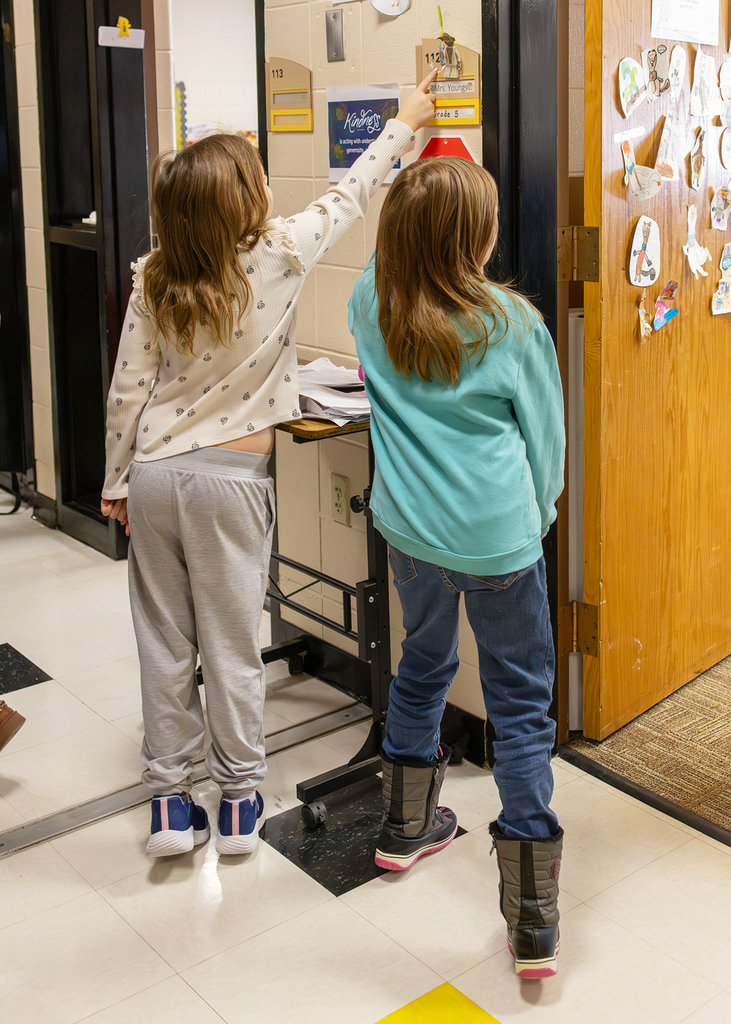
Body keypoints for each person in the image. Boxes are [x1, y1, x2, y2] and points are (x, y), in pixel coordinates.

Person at [100, 72, 438, 858]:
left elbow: (127, 391)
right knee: (229, 644)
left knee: (164, 643)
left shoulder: (154, 277)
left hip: (155, 477)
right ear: (245, 203)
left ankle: (169, 806)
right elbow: (352, 192)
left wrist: (115, 483)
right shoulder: (281, 254)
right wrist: (406, 121)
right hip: (230, 484)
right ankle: (238, 804)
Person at [348, 157, 565, 978]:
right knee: (520, 704)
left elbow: (391, 257)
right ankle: (532, 915)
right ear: (474, 236)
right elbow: (545, 441)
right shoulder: (510, 324)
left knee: (422, 665)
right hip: (497, 540)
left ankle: (403, 828)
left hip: (410, 535)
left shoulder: (369, 301)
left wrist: (410, 196)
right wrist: (538, 517)